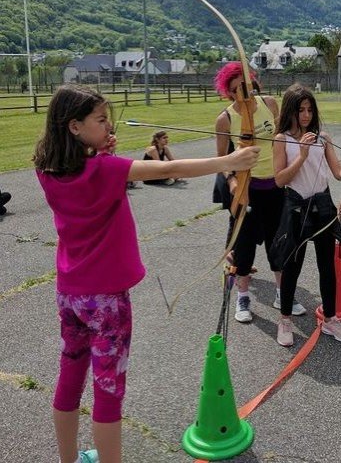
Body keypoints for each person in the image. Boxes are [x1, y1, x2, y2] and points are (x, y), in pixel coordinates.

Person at [33, 85, 259, 463]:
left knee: (70, 377)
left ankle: (69, 460)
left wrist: (101, 149)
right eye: (100, 120)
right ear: (74, 126)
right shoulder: (105, 169)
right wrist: (229, 162)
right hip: (107, 301)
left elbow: (87, 179)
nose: (108, 126)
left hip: (71, 294)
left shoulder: (48, 169)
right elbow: (168, 168)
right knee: (108, 390)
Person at [214, 62, 306, 323]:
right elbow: (221, 160)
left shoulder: (270, 104)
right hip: (246, 189)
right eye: (234, 90)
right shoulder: (226, 118)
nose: (241, 93)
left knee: (279, 243)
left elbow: (281, 139)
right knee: (243, 247)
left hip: (274, 186)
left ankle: (282, 292)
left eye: (245, 85)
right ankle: (243, 297)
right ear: (229, 93)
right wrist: (232, 181)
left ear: (252, 82)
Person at [272, 83, 341, 347]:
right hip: (296, 205)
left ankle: (331, 320)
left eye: (310, 109)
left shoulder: (322, 137)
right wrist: (301, 154)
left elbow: (337, 172)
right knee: (292, 266)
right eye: (300, 109)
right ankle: (285, 319)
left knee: (327, 266)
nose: (305, 115)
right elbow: (280, 180)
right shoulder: (281, 140)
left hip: (323, 205)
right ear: (290, 110)